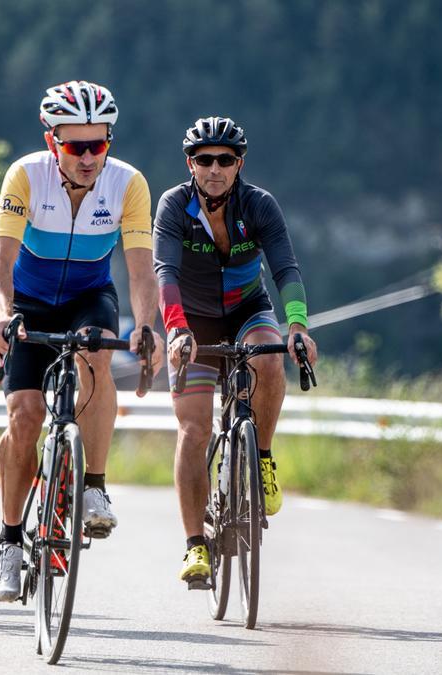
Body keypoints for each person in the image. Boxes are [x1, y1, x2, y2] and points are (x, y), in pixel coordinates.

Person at [0, 80, 162, 601]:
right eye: (75, 146)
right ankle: (9, 542)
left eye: (98, 145)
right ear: (51, 141)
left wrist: (145, 325)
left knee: (96, 355)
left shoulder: (128, 184)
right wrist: (3, 317)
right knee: (24, 417)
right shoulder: (25, 175)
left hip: (89, 297)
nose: (88, 158)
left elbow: (141, 270)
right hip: (29, 301)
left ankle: (94, 486)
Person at [153, 116, 319, 587]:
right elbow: (165, 272)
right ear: (190, 164)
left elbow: (285, 269)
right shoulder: (174, 206)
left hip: (248, 308)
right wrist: (177, 330)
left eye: (225, 160)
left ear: (239, 164)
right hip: (193, 320)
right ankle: (194, 545)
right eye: (204, 160)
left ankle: (261, 457)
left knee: (268, 357)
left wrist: (298, 326)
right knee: (194, 428)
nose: (215, 169)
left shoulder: (259, 204)